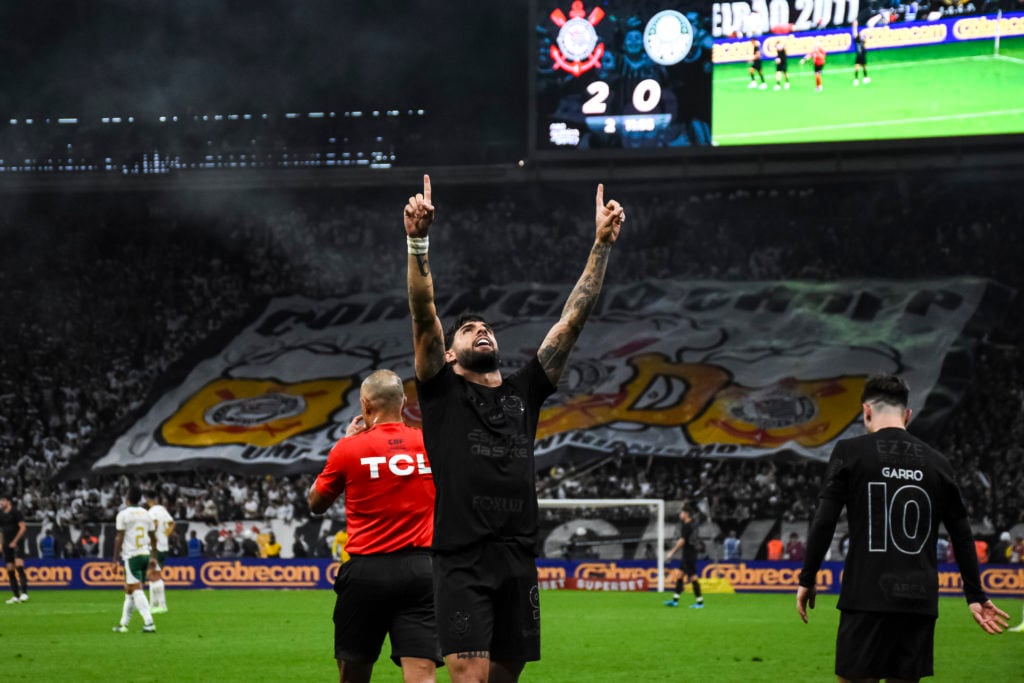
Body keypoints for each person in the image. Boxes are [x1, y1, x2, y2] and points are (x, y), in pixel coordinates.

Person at [404, 175, 624, 682]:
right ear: (452, 356)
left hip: (518, 557)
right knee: (468, 675)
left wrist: (601, 246)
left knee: (504, 677)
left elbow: (571, 321)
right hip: (462, 557)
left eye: (485, 327)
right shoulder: (442, 390)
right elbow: (422, 313)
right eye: (467, 330)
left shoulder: (525, 389)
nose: (480, 330)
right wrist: (418, 242)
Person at [796, 374, 1008, 680]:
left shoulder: (850, 451)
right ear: (907, 415)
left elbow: (825, 520)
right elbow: (962, 534)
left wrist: (808, 577)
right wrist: (975, 595)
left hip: (866, 595)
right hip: (918, 600)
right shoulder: (938, 463)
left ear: (866, 411)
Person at [308, 369, 440, 683]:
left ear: (366, 405)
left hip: (367, 571)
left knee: (354, 671)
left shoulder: (348, 449)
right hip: (422, 569)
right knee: (422, 674)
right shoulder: (430, 444)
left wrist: (343, 444)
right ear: (404, 401)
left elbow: (315, 503)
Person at [112, 486, 157, 633]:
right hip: (145, 554)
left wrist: (114, 560)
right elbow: (153, 537)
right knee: (129, 590)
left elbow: (119, 537)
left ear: (127, 499)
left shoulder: (123, 515)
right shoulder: (146, 514)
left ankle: (149, 622)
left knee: (136, 589)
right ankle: (123, 624)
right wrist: (154, 556)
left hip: (132, 556)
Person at [664, 505, 704, 608]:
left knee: (693, 577)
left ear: (686, 514)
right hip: (688, 554)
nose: (680, 514)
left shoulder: (687, 526)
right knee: (680, 575)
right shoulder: (692, 524)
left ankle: (700, 602)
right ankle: (675, 600)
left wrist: (672, 552)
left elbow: (682, 541)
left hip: (689, 555)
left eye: (681, 513)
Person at [146, 491, 175, 614]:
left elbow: (155, 524)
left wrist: (152, 538)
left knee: (153, 575)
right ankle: (153, 605)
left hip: (155, 547)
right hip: (163, 546)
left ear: (149, 501)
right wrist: (165, 535)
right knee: (153, 575)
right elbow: (172, 523)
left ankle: (162, 606)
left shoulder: (151, 512)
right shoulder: (163, 510)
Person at [0, 494, 29, 603]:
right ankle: (16, 596)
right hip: (7, 545)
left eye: (2, 501)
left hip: (17, 544)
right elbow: (1, 531)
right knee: (10, 570)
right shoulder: (1, 515)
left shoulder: (16, 512)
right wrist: (1, 544)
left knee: (19, 567)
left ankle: (24, 594)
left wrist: (15, 541)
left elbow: (23, 528)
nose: (1, 503)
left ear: (8, 502)